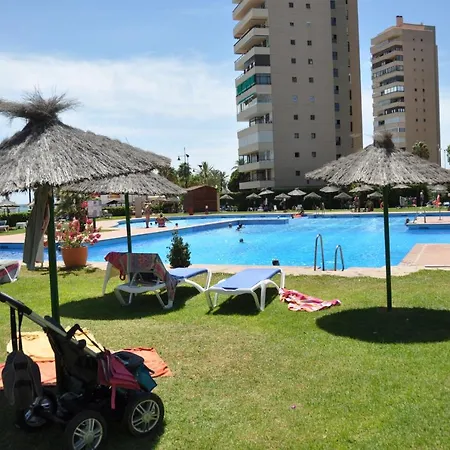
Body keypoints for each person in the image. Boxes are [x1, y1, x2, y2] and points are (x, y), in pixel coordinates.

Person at [35, 202, 50, 268]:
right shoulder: (43, 216)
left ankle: (40, 262)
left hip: (41, 231)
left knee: (40, 247)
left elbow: (46, 219)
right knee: (39, 247)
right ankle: (40, 262)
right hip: (40, 231)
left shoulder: (44, 216)